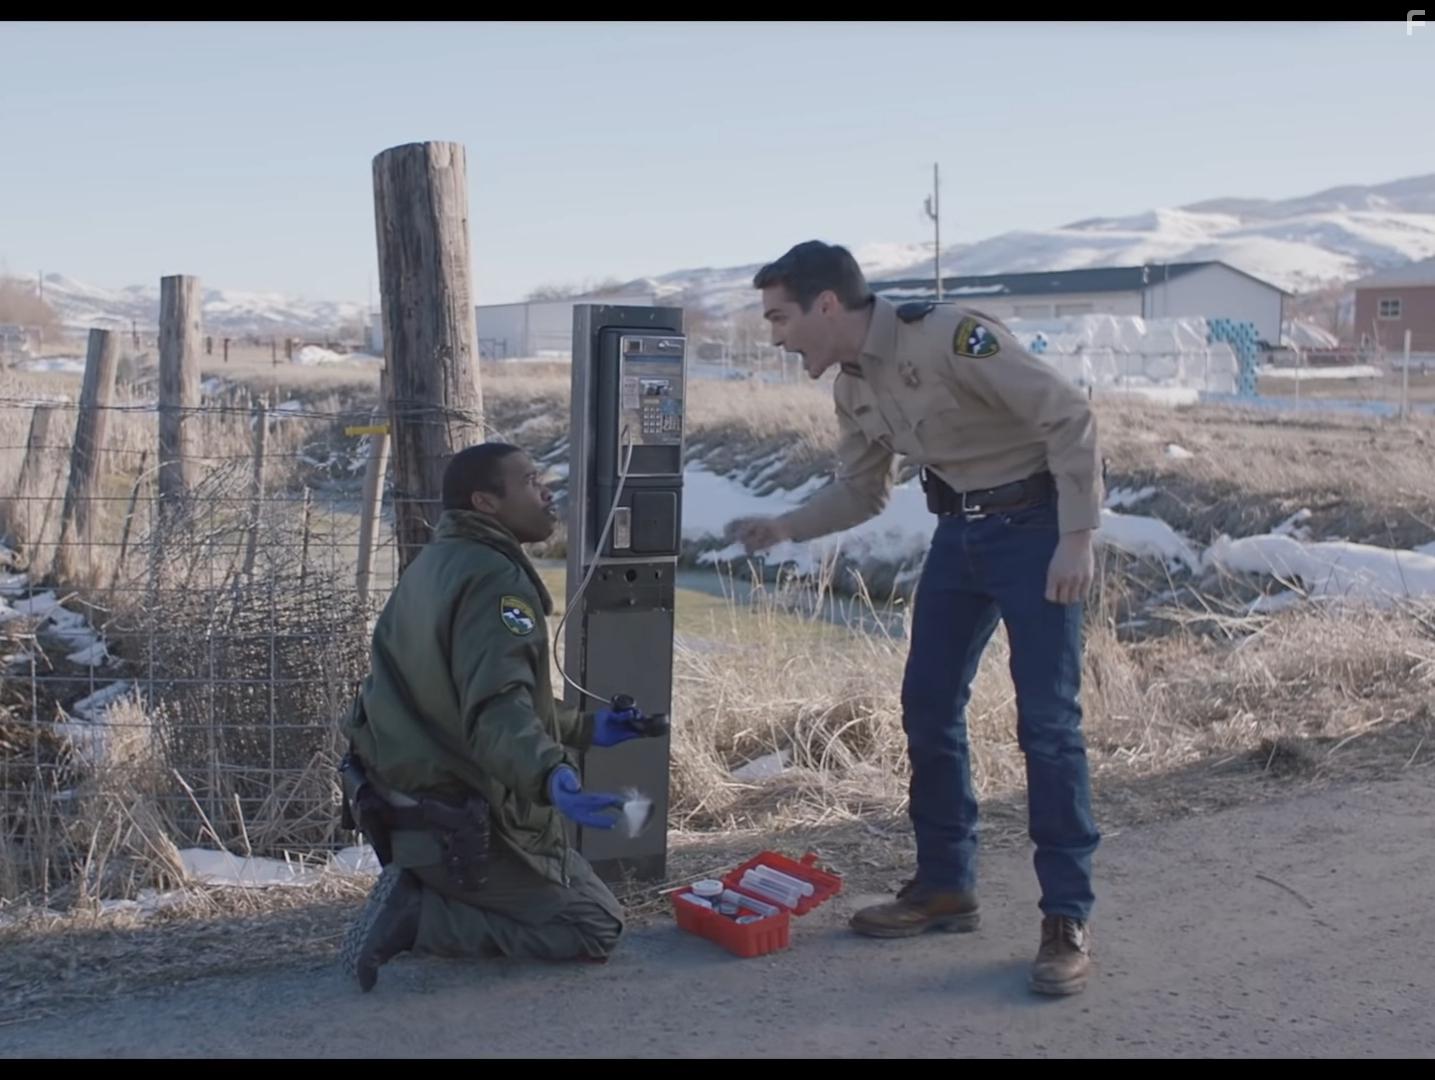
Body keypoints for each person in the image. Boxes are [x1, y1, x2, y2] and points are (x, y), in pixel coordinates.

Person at [723, 241, 1103, 996]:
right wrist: (786, 527)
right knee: (926, 708)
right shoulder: (851, 387)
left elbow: (1066, 415)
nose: (774, 336)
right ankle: (943, 886)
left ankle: (1064, 919)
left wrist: (1076, 538)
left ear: (826, 305)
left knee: (1047, 725)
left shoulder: (949, 335)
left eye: (779, 318)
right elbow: (863, 494)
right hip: (958, 536)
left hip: (1036, 534)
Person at [338, 441, 663, 992]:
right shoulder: (496, 582)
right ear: (486, 503)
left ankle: (430, 890)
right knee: (594, 926)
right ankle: (423, 917)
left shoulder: (434, 565)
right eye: (532, 480)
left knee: (579, 889)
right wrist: (550, 778)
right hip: (461, 824)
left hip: (407, 807)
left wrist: (585, 728)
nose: (547, 490)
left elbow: (476, 697)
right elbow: (494, 712)